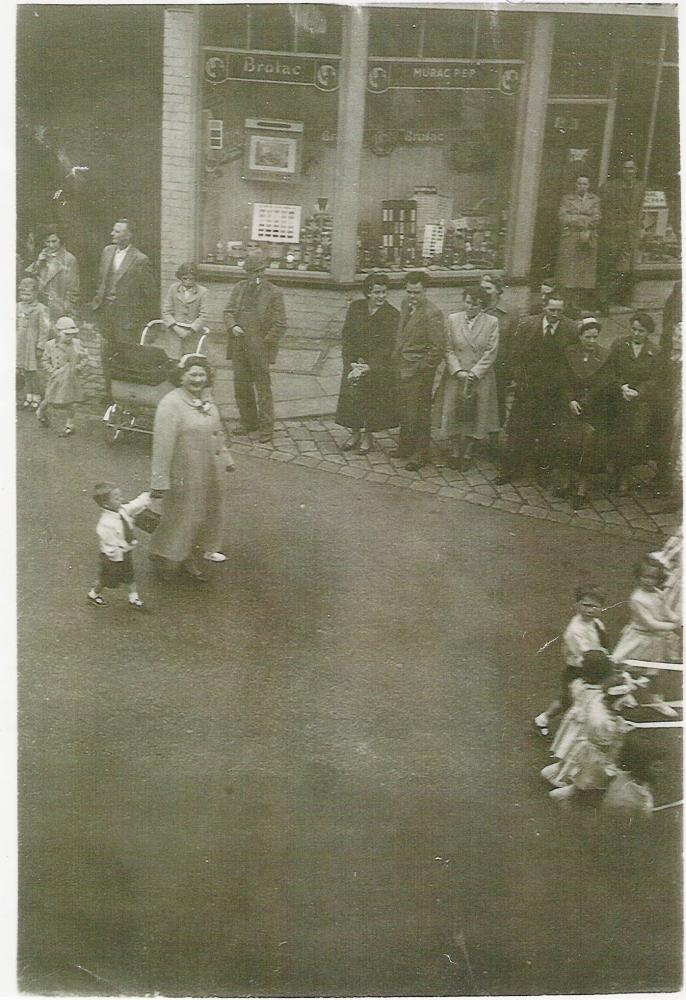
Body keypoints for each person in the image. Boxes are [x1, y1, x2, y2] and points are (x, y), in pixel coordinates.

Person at [149, 354, 234, 581]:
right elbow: (162, 446)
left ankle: (190, 557)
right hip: (183, 473)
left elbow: (217, 432)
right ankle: (163, 556)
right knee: (179, 517)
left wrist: (226, 457)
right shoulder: (171, 404)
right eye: (192, 374)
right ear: (181, 376)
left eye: (202, 374)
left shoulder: (207, 399)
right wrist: (159, 482)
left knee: (203, 515)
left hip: (208, 471)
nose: (197, 379)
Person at [496, 296, 577, 486]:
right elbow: (514, 354)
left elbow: (572, 361)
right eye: (552, 310)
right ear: (544, 308)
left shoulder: (571, 329)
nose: (556, 314)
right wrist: (518, 376)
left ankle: (543, 471)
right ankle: (511, 469)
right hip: (528, 387)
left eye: (559, 310)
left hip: (554, 391)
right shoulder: (528, 325)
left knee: (549, 431)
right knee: (518, 429)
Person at [541, 649, 628, 802]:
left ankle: (561, 771)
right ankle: (567, 779)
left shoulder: (578, 685)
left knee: (571, 752)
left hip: (576, 724)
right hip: (583, 731)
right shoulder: (597, 697)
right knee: (577, 756)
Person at [432, 285, 499, 470]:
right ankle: (454, 450)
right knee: (453, 411)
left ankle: (468, 452)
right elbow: (448, 348)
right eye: (468, 302)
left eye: (475, 304)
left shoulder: (492, 322)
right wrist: (457, 370)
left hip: (480, 377)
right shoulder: (453, 319)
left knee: (475, 413)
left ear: (482, 306)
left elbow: (491, 352)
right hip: (456, 375)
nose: (470, 307)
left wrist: (475, 373)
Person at [224, 249, 286, 444]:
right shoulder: (239, 288)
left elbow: (280, 324)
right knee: (241, 386)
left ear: (264, 271)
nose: (255, 276)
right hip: (239, 345)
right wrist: (232, 325)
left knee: (263, 389)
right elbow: (228, 311)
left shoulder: (274, 293)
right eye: (251, 273)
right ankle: (248, 422)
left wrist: (265, 342)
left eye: (259, 272)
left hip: (260, 347)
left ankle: (266, 428)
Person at [334, 272, 399, 454]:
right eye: (377, 292)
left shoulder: (392, 314)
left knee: (371, 401)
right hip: (354, 362)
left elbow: (389, 345)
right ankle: (354, 434)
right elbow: (347, 335)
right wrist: (351, 361)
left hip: (375, 366)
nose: (381, 297)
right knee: (352, 399)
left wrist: (371, 365)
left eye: (384, 292)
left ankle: (368, 436)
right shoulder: (356, 308)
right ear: (368, 293)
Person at [90, 219, 155, 398]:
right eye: (113, 230)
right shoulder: (107, 251)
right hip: (106, 314)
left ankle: (125, 395)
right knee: (106, 352)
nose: (112, 234)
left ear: (129, 235)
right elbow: (102, 280)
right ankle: (109, 391)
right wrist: (99, 302)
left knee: (126, 355)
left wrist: (143, 321)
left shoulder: (140, 260)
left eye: (117, 231)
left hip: (127, 318)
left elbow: (149, 293)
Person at [533, 584, 609, 739]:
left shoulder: (596, 623)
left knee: (579, 700)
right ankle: (543, 719)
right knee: (569, 700)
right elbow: (587, 656)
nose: (590, 609)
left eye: (595, 606)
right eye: (585, 605)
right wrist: (607, 663)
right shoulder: (575, 631)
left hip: (593, 666)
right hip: (579, 670)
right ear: (577, 605)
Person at [390, 271, 446, 471]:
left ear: (425, 291)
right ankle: (405, 447)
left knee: (419, 414)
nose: (412, 296)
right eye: (409, 291)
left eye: (417, 292)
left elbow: (437, 348)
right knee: (405, 410)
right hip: (402, 367)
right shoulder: (406, 304)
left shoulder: (432, 313)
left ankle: (420, 454)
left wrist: (421, 368)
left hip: (419, 373)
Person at [611, 558, 681, 717]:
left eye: (653, 577)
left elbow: (666, 612)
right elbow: (651, 623)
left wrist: (677, 619)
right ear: (638, 576)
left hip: (655, 641)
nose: (649, 581)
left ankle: (656, 701)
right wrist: (674, 627)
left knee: (653, 673)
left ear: (659, 578)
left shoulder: (659, 593)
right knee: (627, 669)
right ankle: (622, 695)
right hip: (638, 639)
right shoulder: (636, 598)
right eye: (645, 576)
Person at [557, 317, 612, 509]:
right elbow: (563, 380)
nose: (591, 341)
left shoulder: (605, 356)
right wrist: (570, 400)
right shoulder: (569, 353)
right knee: (567, 444)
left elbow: (605, 384)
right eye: (588, 337)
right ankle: (565, 483)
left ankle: (581, 489)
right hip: (570, 407)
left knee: (588, 448)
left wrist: (586, 402)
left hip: (594, 409)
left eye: (595, 337)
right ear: (580, 336)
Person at [606, 311, 659, 494]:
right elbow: (610, 369)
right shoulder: (619, 345)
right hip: (618, 397)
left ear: (648, 332)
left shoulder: (654, 352)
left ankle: (625, 474)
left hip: (640, 402)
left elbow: (655, 380)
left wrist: (639, 392)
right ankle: (613, 467)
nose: (636, 334)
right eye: (634, 329)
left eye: (641, 331)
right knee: (615, 431)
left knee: (634, 435)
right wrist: (621, 386)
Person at [87, 481, 152, 610]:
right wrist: (117, 557)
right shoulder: (106, 523)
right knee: (106, 579)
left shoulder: (122, 510)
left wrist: (148, 496)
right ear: (106, 504)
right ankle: (93, 594)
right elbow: (109, 545)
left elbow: (134, 505)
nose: (121, 500)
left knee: (130, 575)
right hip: (113, 559)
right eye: (116, 498)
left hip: (125, 554)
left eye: (120, 496)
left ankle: (133, 598)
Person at [598, 159, 645, 309]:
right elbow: (601, 208)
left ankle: (620, 298)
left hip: (630, 235)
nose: (628, 172)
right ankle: (603, 301)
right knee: (607, 267)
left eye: (631, 169)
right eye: (625, 168)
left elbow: (639, 209)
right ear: (621, 171)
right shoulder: (609, 187)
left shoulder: (640, 187)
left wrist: (640, 228)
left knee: (624, 269)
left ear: (636, 170)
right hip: (612, 233)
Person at [556, 174, 601, 312]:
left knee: (583, 271)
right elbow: (563, 217)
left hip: (588, 238)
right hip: (570, 238)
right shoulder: (566, 199)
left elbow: (597, 218)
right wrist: (585, 218)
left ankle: (577, 302)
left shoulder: (595, 200)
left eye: (585, 184)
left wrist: (576, 218)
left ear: (589, 186)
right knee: (569, 270)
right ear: (575, 185)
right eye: (579, 183)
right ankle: (566, 301)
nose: (582, 186)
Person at [37, 315, 88, 436]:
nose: (70, 337)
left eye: (72, 334)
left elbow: (85, 357)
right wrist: (52, 371)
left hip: (71, 378)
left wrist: (78, 367)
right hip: (57, 377)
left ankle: (69, 425)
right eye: (66, 334)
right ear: (58, 332)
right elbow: (45, 360)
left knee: (70, 401)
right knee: (49, 399)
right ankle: (40, 412)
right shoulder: (50, 345)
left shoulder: (77, 343)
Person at [480, 273, 518, 430]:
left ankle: (495, 437)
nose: (484, 292)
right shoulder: (476, 307)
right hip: (478, 362)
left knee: (497, 401)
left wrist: (511, 368)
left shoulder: (510, 312)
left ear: (498, 290)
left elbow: (515, 342)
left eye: (488, 288)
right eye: (482, 288)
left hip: (499, 365)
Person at [650, 320, 681, 500]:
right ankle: (662, 475)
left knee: (675, 447)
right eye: (676, 336)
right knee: (660, 442)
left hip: (677, 407)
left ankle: (674, 488)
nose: (677, 340)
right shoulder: (665, 355)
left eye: (681, 337)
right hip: (662, 404)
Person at [24, 225, 80, 322]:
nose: (51, 245)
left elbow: (73, 288)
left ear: (60, 241)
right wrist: (38, 262)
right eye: (47, 242)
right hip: (40, 305)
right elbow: (29, 280)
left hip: (58, 306)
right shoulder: (43, 256)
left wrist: (66, 309)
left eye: (54, 241)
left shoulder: (69, 259)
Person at [602, 732, 663, 820]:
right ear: (641, 766)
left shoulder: (637, 781)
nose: (661, 770)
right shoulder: (625, 801)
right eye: (656, 767)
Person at [160, 262, 210, 360]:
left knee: (191, 360)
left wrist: (191, 330)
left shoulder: (203, 292)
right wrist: (176, 328)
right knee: (174, 359)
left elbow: (204, 315)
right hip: (175, 331)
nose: (188, 281)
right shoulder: (173, 288)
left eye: (191, 279)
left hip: (193, 333)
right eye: (185, 278)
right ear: (180, 278)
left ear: (196, 278)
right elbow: (166, 311)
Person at [16, 276, 50, 409]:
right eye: (22, 293)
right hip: (20, 344)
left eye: (28, 294)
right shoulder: (17, 307)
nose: (24, 296)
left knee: (34, 372)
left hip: (32, 345)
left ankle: (37, 396)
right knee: (22, 370)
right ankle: (27, 396)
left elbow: (44, 330)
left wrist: (40, 346)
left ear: (36, 293)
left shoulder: (41, 309)